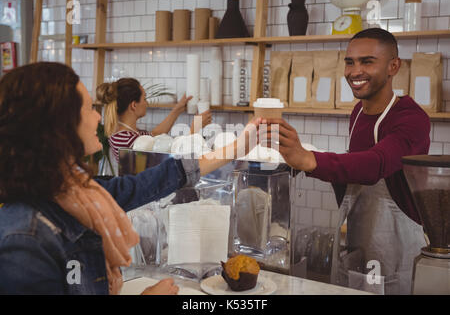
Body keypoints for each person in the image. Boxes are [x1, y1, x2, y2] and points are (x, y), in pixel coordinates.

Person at [0, 62, 259, 295]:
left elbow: (156, 180)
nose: (99, 117)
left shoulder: (80, 194)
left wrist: (236, 148)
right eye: (90, 108)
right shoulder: (25, 240)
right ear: (60, 127)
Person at [263, 28, 430, 295]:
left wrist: (309, 159)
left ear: (393, 66)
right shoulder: (357, 113)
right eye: (350, 62)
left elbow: (376, 165)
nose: (355, 71)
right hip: (359, 242)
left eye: (367, 61)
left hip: (397, 250)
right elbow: (353, 173)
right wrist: (296, 165)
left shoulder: (412, 119)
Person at [97, 78, 212, 163]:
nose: (146, 103)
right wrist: (195, 129)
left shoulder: (129, 134)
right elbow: (175, 163)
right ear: (133, 105)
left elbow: (154, 135)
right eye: (144, 98)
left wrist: (177, 109)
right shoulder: (126, 140)